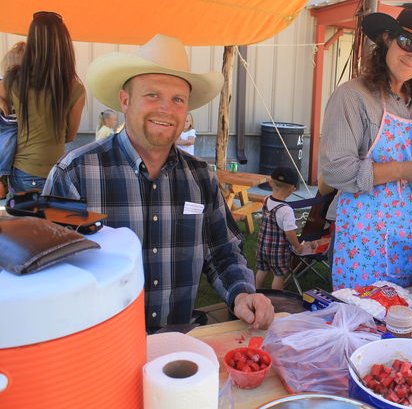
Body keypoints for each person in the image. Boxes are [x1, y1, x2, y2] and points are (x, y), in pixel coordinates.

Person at [42, 33, 274, 332]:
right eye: (152, 95)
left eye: (178, 99)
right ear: (125, 101)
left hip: (176, 347)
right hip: (98, 347)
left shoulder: (201, 178)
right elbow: (49, 269)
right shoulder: (75, 173)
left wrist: (242, 293)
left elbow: (221, 251)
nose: (166, 108)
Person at [319, 1, 412, 290]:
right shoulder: (352, 97)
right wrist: (401, 170)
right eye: (408, 43)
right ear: (387, 38)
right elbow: (335, 172)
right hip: (363, 242)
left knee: (407, 322)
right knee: (364, 323)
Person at [0, 11, 85, 194]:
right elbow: (69, 137)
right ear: (64, 44)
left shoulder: (14, 79)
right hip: (57, 171)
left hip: (23, 170)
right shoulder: (75, 87)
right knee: (54, 223)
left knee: (26, 223)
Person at [255, 166, 305, 290]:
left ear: (271, 182)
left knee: (262, 270)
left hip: (262, 246)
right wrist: (297, 246)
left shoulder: (266, 200)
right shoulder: (286, 210)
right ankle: (276, 298)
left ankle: (256, 292)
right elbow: (290, 232)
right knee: (278, 276)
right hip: (278, 250)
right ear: (292, 189)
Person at [0, 41, 25, 199]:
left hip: (16, 126)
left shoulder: (28, 86)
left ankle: (4, 176)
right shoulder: (3, 81)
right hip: (5, 125)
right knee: (8, 141)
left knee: (11, 141)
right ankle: (2, 174)